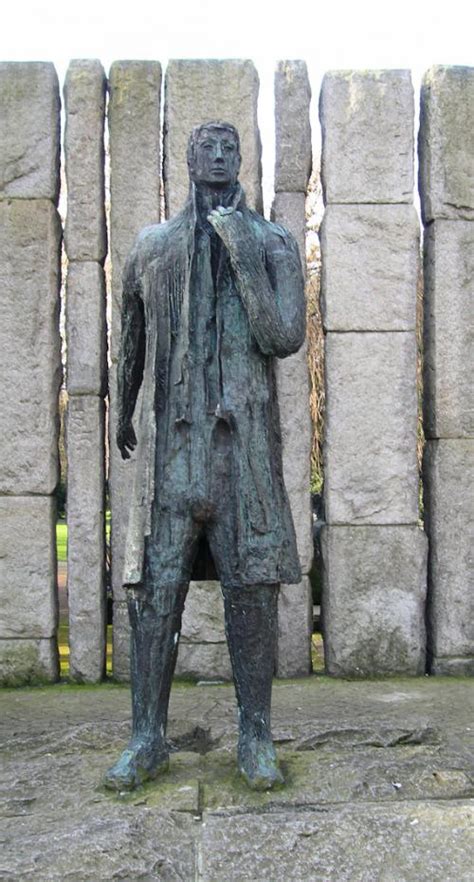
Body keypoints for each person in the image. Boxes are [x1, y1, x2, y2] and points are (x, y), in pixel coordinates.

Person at [104, 121, 306, 792]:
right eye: (205, 146)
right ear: (186, 159)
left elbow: (282, 336)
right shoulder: (151, 246)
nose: (218, 156)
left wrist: (243, 254)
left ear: (241, 158)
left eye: (229, 147)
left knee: (252, 590)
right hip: (170, 452)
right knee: (153, 594)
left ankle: (255, 735)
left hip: (241, 449)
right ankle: (146, 736)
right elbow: (129, 335)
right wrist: (124, 406)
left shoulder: (273, 241)